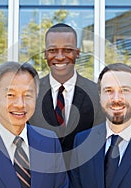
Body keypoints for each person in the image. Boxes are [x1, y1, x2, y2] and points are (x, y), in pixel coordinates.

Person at [29, 23, 105, 165]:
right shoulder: (31, 92)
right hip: (41, 181)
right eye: (53, 50)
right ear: (45, 54)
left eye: (67, 50)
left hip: (85, 182)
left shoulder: (97, 94)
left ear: (77, 52)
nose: (59, 57)